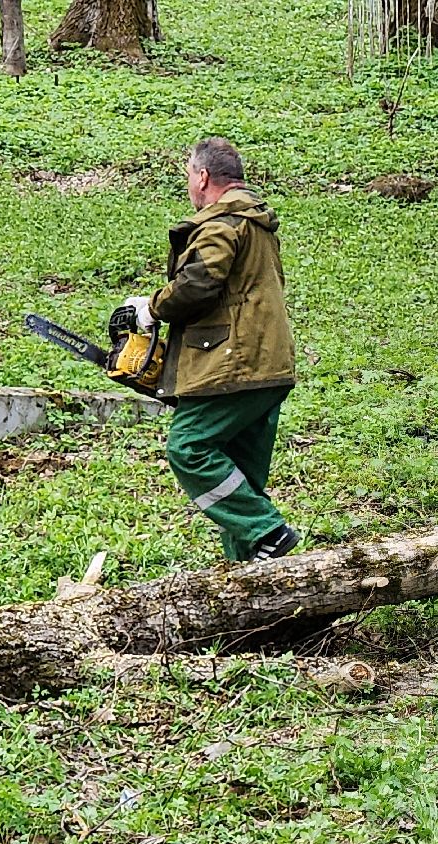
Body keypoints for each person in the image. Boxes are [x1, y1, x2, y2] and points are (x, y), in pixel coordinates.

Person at [122, 137, 300, 562]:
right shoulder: (256, 221)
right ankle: (253, 578)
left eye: (189, 176)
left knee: (188, 447)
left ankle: (269, 531)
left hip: (232, 365)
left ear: (203, 177)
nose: (189, 186)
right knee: (245, 480)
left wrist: (151, 308)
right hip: (268, 364)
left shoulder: (221, 221)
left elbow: (199, 282)